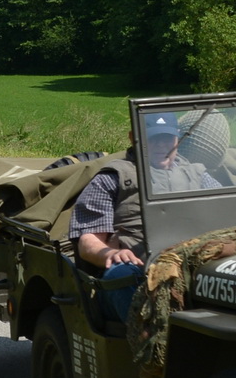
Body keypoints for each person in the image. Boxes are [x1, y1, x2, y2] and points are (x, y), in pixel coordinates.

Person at [69, 114, 219, 323]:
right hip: (138, 268)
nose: (160, 145)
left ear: (178, 139)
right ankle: (152, 344)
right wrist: (111, 253)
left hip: (195, 262)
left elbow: (228, 215)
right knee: (120, 276)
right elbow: (88, 242)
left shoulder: (198, 175)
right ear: (134, 138)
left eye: (167, 138)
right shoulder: (114, 178)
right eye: (152, 139)